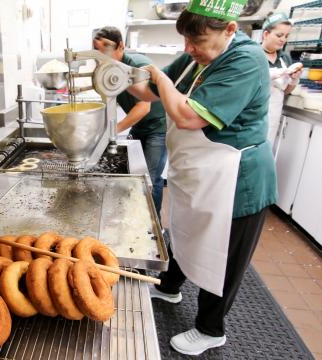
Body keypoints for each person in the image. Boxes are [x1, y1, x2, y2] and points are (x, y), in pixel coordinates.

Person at [128, 0, 277, 355]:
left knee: (222, 255)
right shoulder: (200, 53)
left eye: (197, 43)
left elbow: (188, 118)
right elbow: (149, 92)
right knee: (181, 227)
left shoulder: (246, 60)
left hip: (236, 178)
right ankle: (169, 287)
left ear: (229, 30)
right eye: (187, 41)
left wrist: (159, 76)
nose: (189, 50)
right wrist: (116, 73)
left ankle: (212, 330)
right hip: (199, 170)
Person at [92, 27, 167, 216]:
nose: (101, 55)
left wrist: (113, 131)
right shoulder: (108, 69)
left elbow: (144, 107)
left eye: (106, 49)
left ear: (121, 46)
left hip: (158, 128)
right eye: (96, 50)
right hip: (140, 126)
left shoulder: (136, 66)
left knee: (149, 179)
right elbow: (107, 99)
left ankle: (154, 224)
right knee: (133, 174)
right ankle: (134, 218)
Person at [262, 12, 303, 148]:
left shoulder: (284, 58)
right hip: (252, 115)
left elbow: (285, 91)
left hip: (273, 113)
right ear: (266, 34)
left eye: (286, 36)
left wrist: (293, 80)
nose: (283, 40)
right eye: (279, 35)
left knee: (265, 150)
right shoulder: (253, 54)